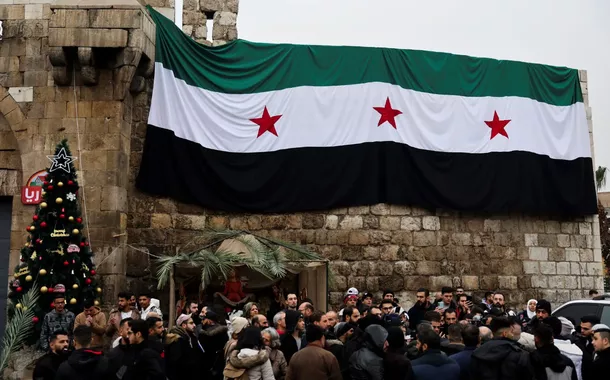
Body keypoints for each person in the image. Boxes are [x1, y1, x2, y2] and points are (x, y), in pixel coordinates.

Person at [165, 314, 206, 380]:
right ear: (184, 325)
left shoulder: (192, 336)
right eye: (191, 323)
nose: (194, 325)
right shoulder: (177, 340)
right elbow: (175, 363)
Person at [198, 310, 229, 380]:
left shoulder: (204, 333)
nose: (202, 321)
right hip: (220, 364)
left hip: (209, 365)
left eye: (204, 319)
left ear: (209, 321)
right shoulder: (223, 332)